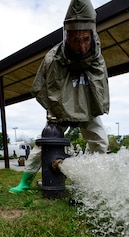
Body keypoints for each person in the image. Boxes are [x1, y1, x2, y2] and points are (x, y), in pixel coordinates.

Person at [9, 0, 110, 194]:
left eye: (86, 39)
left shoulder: (97, 57)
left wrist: (91, 107)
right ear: (67, 36)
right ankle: (24, 182)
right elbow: (46, 88)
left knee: (100, 142)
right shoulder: (53, 58)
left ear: (92, 35)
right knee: (45, 142)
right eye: (76, 40)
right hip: (60, 107)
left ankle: (95, 181)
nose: (81, 46)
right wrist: (56, 112)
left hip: (87, 105)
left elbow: (99, 85)